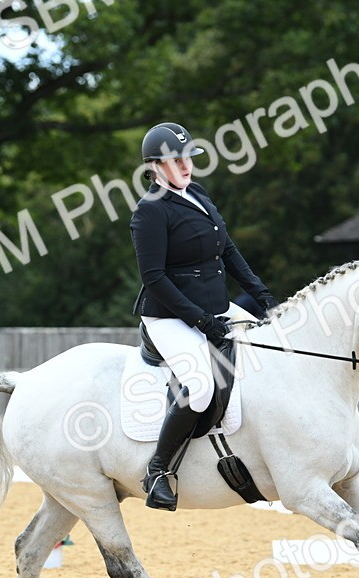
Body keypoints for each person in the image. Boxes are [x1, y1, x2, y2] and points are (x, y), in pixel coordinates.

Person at [130, 122, 279, 511]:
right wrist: (202, 322)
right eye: (176, 161)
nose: (185, 166)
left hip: (216, 306)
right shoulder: (150, 211)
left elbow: (227, 250)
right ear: (155, 166)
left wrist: (261, 294)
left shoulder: (196, 194)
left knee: (273, 347)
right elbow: (154, 279)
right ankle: (158, 470)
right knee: (199, 386)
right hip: (169, 316)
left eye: (188, 159)